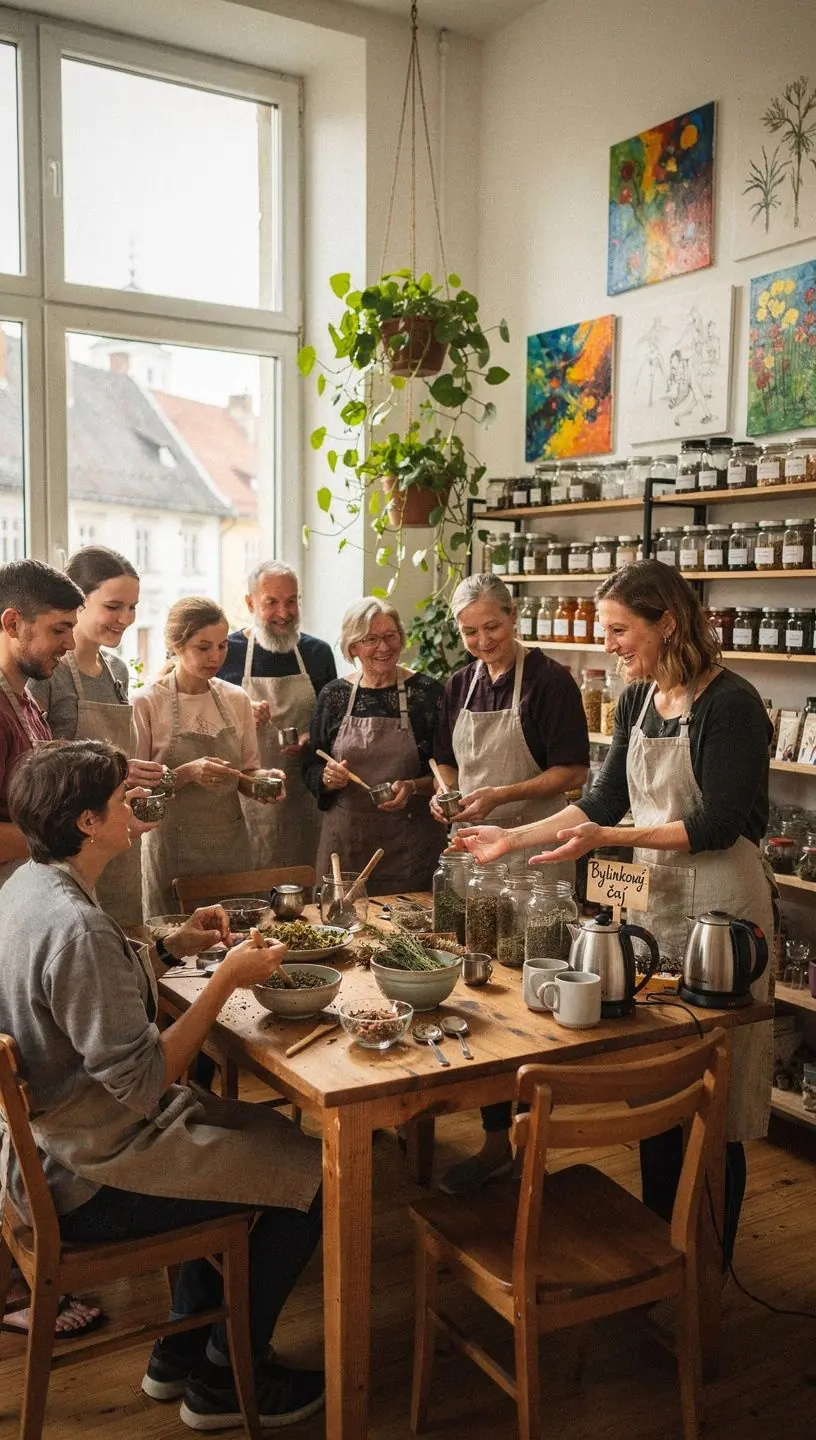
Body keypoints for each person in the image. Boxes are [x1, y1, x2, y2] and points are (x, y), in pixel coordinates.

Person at [0, 739, 324, 1428]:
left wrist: (173, 950)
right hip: (90, 1179)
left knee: (270, 1133)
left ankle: (179, 1350)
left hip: (57, 1143)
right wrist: (228, 981)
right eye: (124, 799)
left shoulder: (28, 886)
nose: (138, 808)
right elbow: (145, 1086)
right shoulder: (77, 927)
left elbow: (84, 995)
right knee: (316, 1179)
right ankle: (224, 1380)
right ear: (87, 822)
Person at [458, 560, 774, 1267]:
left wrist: (612, 839)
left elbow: (718, 822)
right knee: (662, 1084)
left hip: (722, 909)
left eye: (619, 630)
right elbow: (601, 803)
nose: (609, 645)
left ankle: (708, 1269)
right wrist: (514, 835)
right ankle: (663, 1250)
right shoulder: (636, 701)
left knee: (712, 1101)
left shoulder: (733, 703)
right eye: (606, 630)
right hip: (658, 900)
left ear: (667, 621)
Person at [432, 572, 590, 1195]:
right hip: (474, 854)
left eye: (491, 627)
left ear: (515, 616)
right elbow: (445, 756)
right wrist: (450, 793)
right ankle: (497, 1142)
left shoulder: (550, 681)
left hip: (539, 859)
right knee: (482, 999)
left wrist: (504, 794)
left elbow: (573, 770)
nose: (481, 641)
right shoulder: (458, 684)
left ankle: (534, 1142)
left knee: (533, 999)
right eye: (469, 632)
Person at [28, 546, 165, 931]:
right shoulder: (48, 673)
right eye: (113, 606)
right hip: (74, 843)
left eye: (133, 607)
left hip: (119, 838)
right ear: (78, 601)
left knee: (127, 956)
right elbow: (37, 768)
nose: (125, 619)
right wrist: (115, 769)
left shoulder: (116, 669)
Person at [135, 597, 286, 919]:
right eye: (203, 648)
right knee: (177, 948)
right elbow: (138, 793)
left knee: (235, 939)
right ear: (176, 645)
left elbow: (247, 774)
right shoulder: (147, 702)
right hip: (173, 852)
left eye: (221, 647)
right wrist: (188, 773)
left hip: (231, 849)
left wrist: (262, 782)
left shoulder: (236, 699)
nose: (215, 657)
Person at [303, 597, 444, 895]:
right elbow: (310, 765)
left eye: (390, 636)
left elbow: (447, 771)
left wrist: (413, 786)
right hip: (345, 847)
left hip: (411, 847)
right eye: (371, 639)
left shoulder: (428, 694)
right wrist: (327, 778)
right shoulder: (334, 696)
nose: (384, 647)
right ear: (353, 647)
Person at [218, 561, 336, 870]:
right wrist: (238, 716)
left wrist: (311, 737)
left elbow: (332, 725)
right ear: (250, 603)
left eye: (291, 600)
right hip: (244, 798)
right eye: (271, 602)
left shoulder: (317, 653)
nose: (284, 613)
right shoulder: (225, 652)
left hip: (302, 795)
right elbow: (204, 721)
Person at [0, 559, 81, 890]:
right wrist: (77, 832)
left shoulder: (27, 703)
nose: (71, 644)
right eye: (59, 630)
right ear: (12, 624)